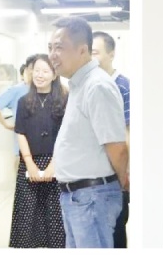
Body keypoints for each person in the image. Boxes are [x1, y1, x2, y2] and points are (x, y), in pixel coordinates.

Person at [49, 16, 128, 247]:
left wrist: (121, 182)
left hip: (92, 197)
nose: (52, 55)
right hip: (78, 197)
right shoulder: (78, 85)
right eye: (50, 47)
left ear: (83, 50)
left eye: (59, 47)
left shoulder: (97, 86)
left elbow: (117, 147)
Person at [9, 54, 68, 247]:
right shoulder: (23, 101)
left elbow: (66, 136)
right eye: (36, 70)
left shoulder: (65, 100)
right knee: (27, 219)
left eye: (45, 71)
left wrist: (53, 164)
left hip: (56, 164)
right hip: (29, 164)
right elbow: (20, 133)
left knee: (55, 218)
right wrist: (29, 163)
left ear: (54, 74)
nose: (39, 75)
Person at [91, 31, 130, 247]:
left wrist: (125, 172)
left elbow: (127, 132)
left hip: (115, 172)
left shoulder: (122, 86)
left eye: (95, 52)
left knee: (115, 230)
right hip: (93, 175)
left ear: (112, 54)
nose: (91, 57)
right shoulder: (88, 83)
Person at [0, 54, 38, 167]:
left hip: (44, 151)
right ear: (27, 70)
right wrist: (5, 124)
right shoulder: (17, 90)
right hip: (21, 151)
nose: (35, 72)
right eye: (32, 68)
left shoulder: (45, 90)